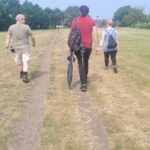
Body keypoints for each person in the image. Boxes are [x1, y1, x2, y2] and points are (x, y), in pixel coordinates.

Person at [70, 5, 100, 92]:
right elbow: (94, 34)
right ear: (88, 12)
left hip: (78, 46)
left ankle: (83, 83)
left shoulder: (75, 20)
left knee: (81, 63)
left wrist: (71, 47)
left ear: (80, 11)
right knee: (85, 62)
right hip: (88, 47)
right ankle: (84, 79)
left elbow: (72, 34)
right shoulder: (91, 21)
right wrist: (97, 46)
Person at [5, 14, 36, 83]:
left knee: (19, 62)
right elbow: (32, 37)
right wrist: (34, 43)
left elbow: (8, 37)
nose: (25, 20)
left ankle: (21, 74)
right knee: (25, 61)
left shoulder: (11, 27)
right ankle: (25, 76)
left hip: (15, 47)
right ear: (19, 19)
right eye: (23, 19)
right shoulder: (26, 27)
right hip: (25, 47)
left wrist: (6, 47)